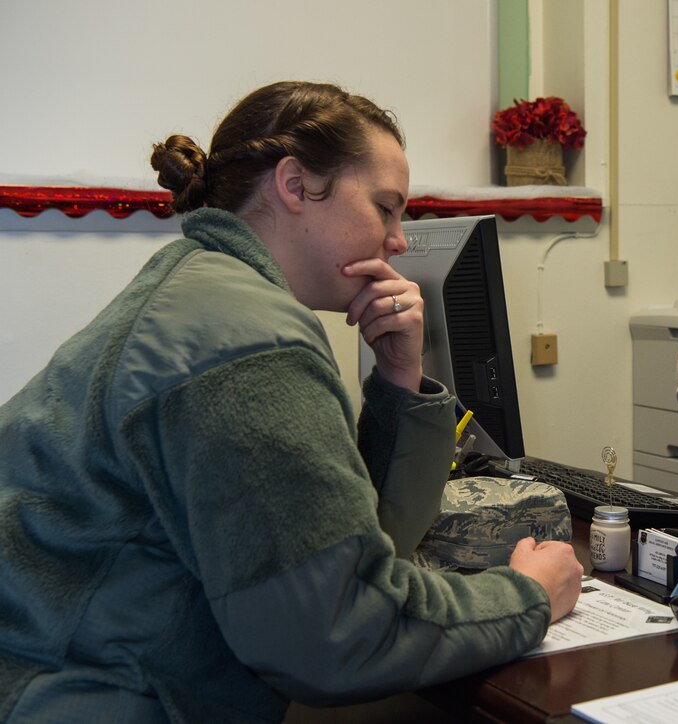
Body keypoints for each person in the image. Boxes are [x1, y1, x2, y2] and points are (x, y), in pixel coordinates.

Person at [0, 81, 583, 722]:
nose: (398, 241)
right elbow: (337, 636)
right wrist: (527, 596)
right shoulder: (248, 340)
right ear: (296, 185)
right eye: (385, 208)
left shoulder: (202, 286)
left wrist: (398, 378)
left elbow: (339, 548)